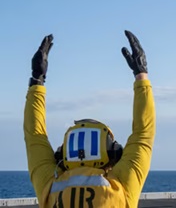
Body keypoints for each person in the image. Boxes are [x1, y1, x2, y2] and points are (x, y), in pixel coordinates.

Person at [23, 30, 156, 207]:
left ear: (63, 155)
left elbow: (34, 136)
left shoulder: (51, 186)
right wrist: (142, 75)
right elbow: (143, 134)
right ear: (112, 152)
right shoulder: (121, 187)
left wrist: (37, 79)